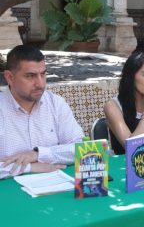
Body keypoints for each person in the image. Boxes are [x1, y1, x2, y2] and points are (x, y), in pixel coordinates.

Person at [0, 45, 83, 179]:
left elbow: (81, 149)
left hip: (55, 182)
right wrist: (29, 167)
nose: (40, 84)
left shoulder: (55, 103)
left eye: (43, 74)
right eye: (30, 76)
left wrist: (38, 154)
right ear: (10, 77)